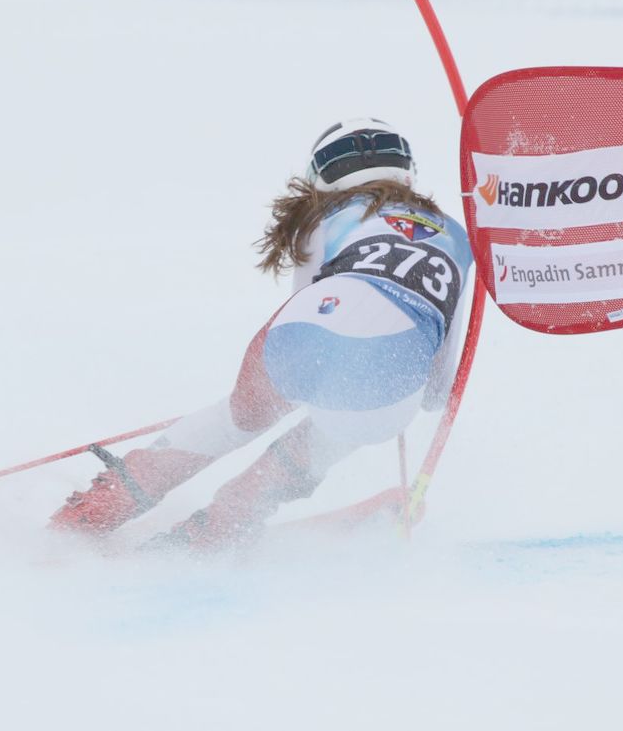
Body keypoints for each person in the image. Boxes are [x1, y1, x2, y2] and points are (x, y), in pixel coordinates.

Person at [49, 118, 473, 550]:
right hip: (387, 379)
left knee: (230, 422)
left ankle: (86, 517)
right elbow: (436, 393)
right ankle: (222, 524)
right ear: (407, 172)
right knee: (335, 427)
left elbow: (308, 306)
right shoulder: (459, 238)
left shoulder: (325, 219)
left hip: (305, 333)